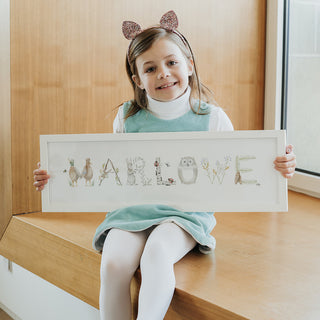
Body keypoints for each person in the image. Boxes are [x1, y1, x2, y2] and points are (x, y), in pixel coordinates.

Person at [33, 11, 297, 320]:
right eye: (150, 68)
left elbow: (241, 165)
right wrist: (55, 175)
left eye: (172, 62)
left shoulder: (211, 118)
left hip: (184, 214)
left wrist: (280, 165)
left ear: (189, 66)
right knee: (114, 264)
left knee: (157, 254)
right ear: (137, 80)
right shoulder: (128, 117)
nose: (163, 73)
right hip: (132, 211)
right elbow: (106, 170)